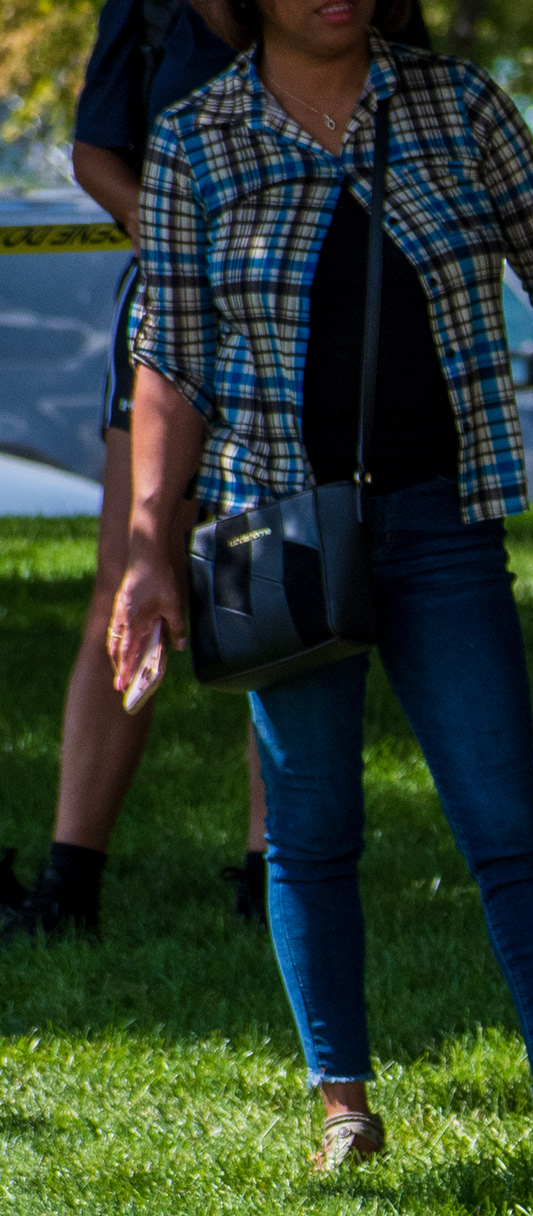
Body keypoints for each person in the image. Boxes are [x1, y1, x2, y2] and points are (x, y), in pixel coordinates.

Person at [106, 0, 533, 1179]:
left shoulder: (458, 103)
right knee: (308, 829)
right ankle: (343, 1104)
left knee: (507, 822)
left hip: (443, 516)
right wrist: (149, 543)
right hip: (263, 525)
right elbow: (171, 362)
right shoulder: (194, 136)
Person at [2, 0, 266, 947]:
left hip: (303, 301)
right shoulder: (145, 7)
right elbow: (95, 152)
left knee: (275, 577)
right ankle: (70, 882)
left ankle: (274, 880)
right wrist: (169, 243)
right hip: (170, 300)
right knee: (126, 579)